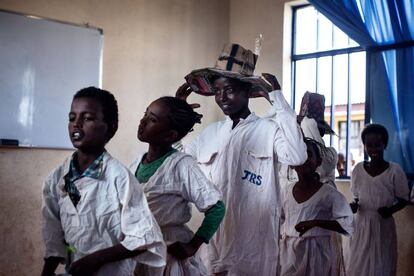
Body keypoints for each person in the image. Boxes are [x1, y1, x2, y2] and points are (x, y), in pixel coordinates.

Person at [177, 43, 307, 275]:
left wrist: (278, 99)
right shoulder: (211, 133)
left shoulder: (269, 129)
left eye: (229, 89)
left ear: (247, 91)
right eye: (217, 91)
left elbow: (297, 155)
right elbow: (178, 164)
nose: (221, 97)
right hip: (212, 240)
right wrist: (177, 118)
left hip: (253, 245)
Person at [41, 87, 165, 276]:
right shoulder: (57, 178)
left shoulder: (119, 178)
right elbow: (53, 233)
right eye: (72, 118)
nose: (77, 124)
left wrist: (96, 259)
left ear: (111, 127)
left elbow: (143, 237)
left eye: (87, 118)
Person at [129, 96, 225, 275]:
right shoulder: (135, 164)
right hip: (139, 249)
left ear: (170, 135)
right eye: (145, 115)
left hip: (168, 253)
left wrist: (193, 245)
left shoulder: (181, 165)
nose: (142, 122)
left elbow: (217, 208)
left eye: (152, 120)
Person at [280, 138, 354, 276]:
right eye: (300, 154)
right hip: (290, 255)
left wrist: (316, 223)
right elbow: (278, 220)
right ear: (291, 163)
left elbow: (347, 223)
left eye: (309, 154)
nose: (305, 159)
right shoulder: (285, 191)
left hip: (318, 254)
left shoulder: (329, 194)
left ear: (318, 161)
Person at [347, 124, 410, 276]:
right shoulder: (358, 170)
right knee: (359, 265)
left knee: (382, 265)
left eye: (377, 144)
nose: (373, 149)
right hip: (361, 225)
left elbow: (404, 199)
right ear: (364, 146)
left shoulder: (394, 170)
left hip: (383, 226)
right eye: (369, 145)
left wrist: (390, 210)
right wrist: (354, 206)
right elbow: (357, 197)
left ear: (385, 145)